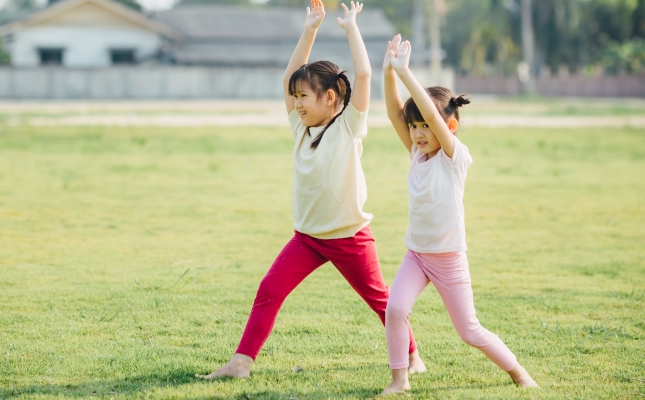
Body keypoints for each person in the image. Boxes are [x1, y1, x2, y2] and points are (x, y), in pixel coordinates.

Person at [197, 1, 425, 379]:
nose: (297, 103)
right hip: (307, 238)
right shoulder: (300, 129)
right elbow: (289, 75)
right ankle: (241, 363)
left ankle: (413, 355)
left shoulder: (348, 126)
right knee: (269, 289)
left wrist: (351, 27)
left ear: (331, 98)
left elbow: (364, 76)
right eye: (296, 97)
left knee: (381, 302)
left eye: (305, 96)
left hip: (349, 236)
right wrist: (310, 30)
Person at [380, 35, 538, 395]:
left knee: (469, 331)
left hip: (449, 259)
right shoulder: (417, 155)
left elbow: (431, 114)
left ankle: (519, 373)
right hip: (417, 255)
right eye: (414, 127)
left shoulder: (454, 158)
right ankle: (399, 381)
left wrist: (406, 73)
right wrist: (389, 70)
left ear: (447, 128)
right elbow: (394, 113)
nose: (418, 134)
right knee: (395, 309)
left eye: (426, 127)